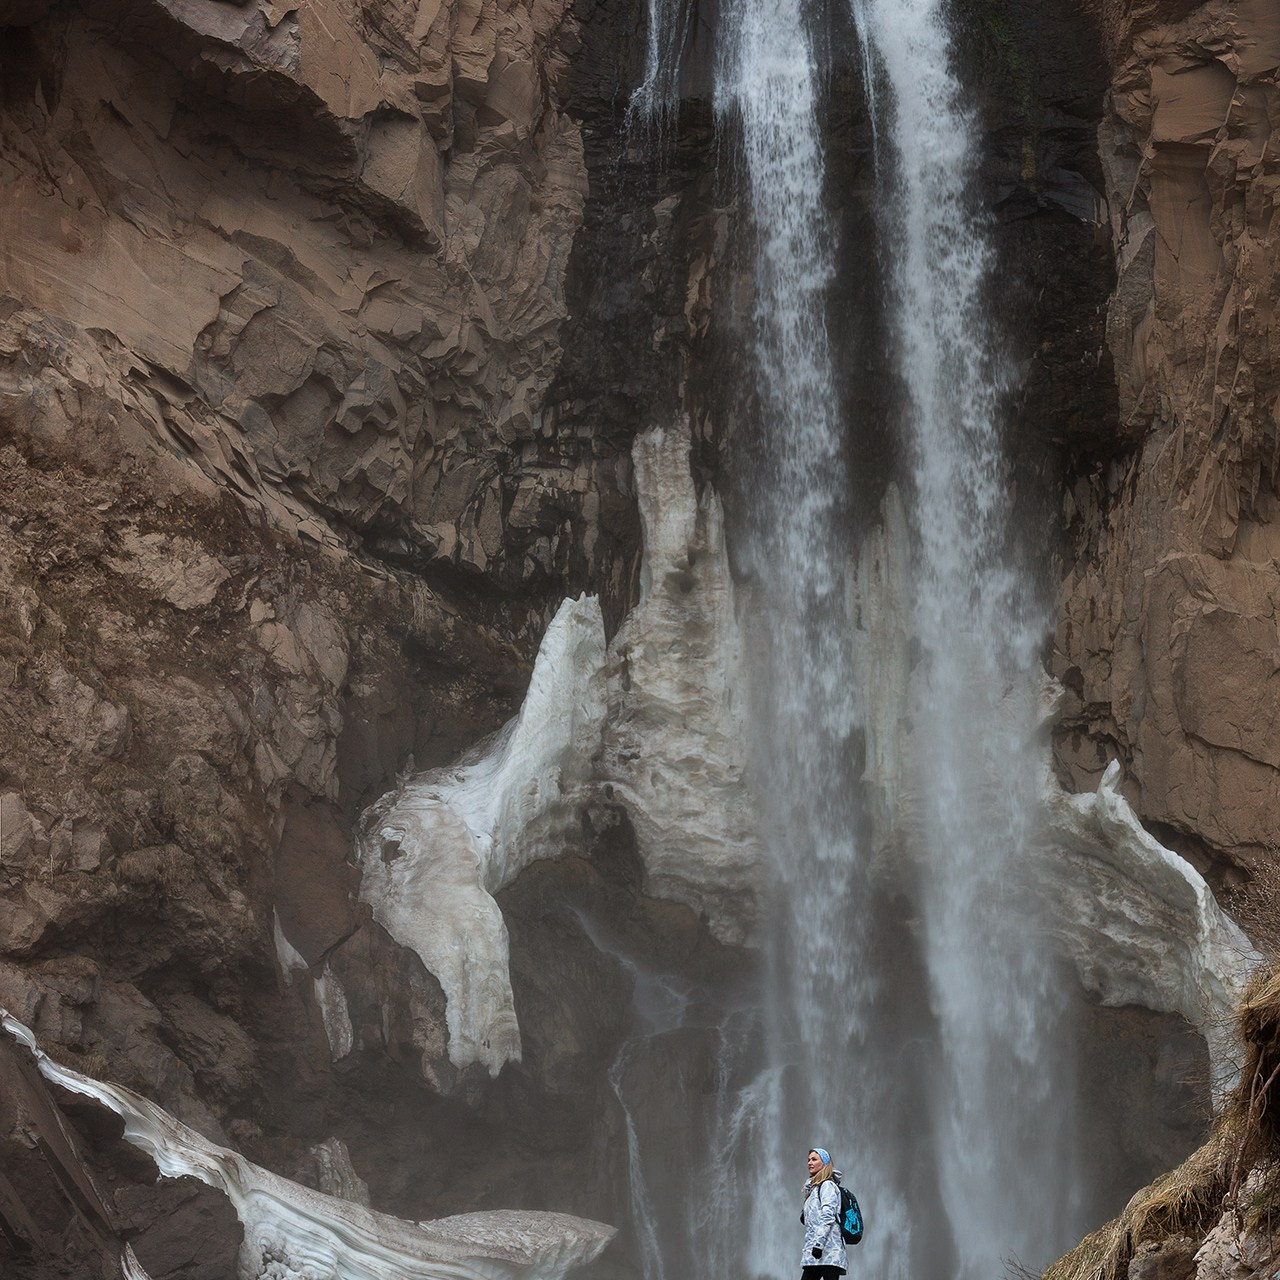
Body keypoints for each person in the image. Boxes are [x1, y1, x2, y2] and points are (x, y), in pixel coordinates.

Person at [801, 1147, 847, 1279]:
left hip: (829, 1252)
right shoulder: (813, 1189)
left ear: (825, 1163)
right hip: (815, 1252)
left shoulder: (827, 1185)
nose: (810, 1162)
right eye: (808, 1160)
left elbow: (828, 1216)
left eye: (814, 1159)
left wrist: (818, 1245)